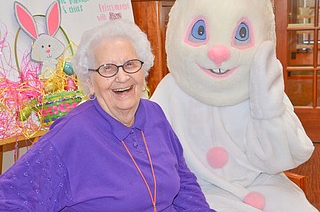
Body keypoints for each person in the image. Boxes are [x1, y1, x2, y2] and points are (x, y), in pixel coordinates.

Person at [0, 19, 215, 212]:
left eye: (130, 64)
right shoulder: (72, 134)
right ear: (89, 83)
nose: (122, 77)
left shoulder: (155, 114)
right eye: (107, 69)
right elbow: (9, 199)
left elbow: (184, 182)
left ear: (143, 71)